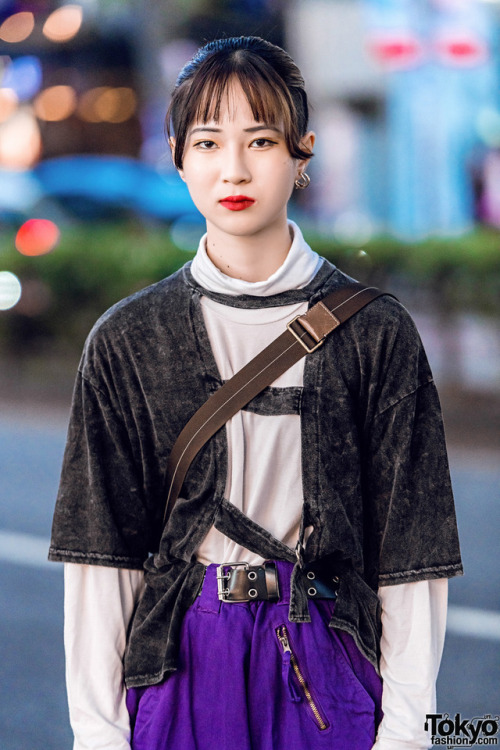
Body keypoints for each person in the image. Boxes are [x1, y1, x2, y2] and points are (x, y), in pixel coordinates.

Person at [49, 36, 463, 750]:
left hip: (328, 657)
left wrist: (410, 731)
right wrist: (97, 734)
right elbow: (101, 552)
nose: (233, 168)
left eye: (261, 140)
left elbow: (412, 550)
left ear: (302, 154)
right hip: (178, 661)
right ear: (176, 156)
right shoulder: (127, 339)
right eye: (207, 142)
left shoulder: (377, 334)